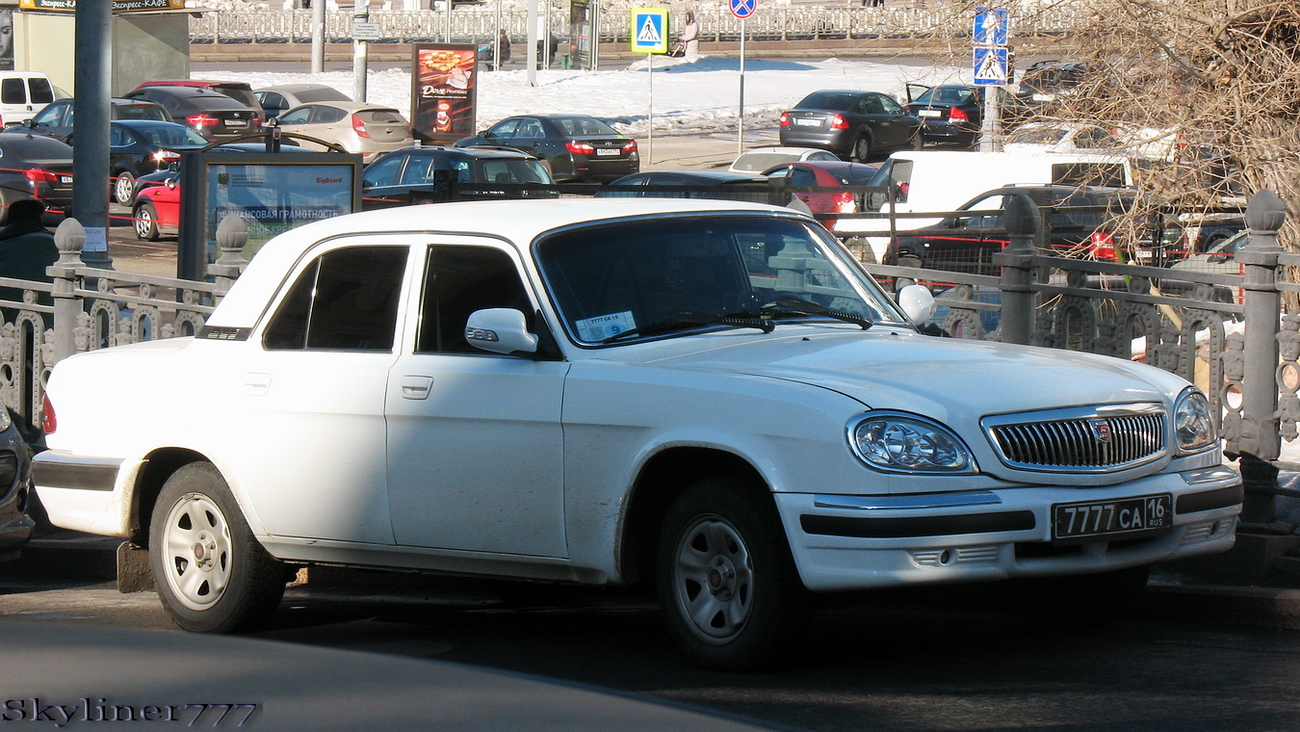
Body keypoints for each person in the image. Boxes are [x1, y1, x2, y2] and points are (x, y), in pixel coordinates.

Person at [0, 199, 58, 320]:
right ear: (39, 218)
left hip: (7, 321)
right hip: (50, 321)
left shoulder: (4, 244)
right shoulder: (56, 243)